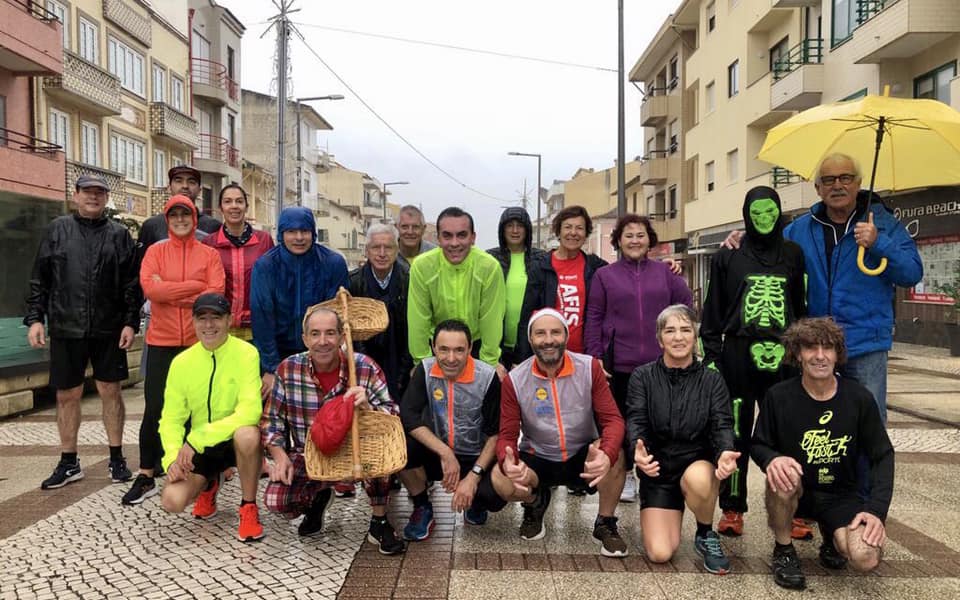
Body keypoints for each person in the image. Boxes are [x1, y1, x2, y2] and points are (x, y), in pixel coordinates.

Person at [723, 153, 922, 422]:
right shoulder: (801, 229)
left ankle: (867, 467)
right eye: (828, 179)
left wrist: (878, 243)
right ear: (817, 188)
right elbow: (768, 249)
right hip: (813, 346)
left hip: (864, 346)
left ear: (859, 183)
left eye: (845, 178)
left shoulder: (883, 224)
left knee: (868, 422)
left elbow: (912, 272)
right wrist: (744, 237)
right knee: (813, 424)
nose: (837, 185)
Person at [751, 317, 894, 590]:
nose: (819, 356)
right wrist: (773, 459)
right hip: (796, 489)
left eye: (827, 348)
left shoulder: (858, 398)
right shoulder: (779, 396)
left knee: (865, 557)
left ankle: (832, 539)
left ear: (837, 355)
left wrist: (876, 511)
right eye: (810, 348)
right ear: (797, 354)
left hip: (840, 495)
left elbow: (883, 454)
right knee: (784, 477)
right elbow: (758, 444)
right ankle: (783, 550)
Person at [700, 186, 807, 537]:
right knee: (734, 430)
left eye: (770, 213)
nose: (763, 219)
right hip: (738, 354)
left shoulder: (793, 254)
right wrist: (712, 355)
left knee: (789, 432)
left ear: (779, 213)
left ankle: (795, 509)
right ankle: (732, 509)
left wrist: (802, 351)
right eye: (756, 213)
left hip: (783, 354)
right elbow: (713, 308)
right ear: (746, 214)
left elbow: (800, 307)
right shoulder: (728, 254)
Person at [25, 174, 140, 489]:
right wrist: (35, 319)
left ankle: (116, 458)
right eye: (87, 192)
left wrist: (131, 321)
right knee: (66, 394)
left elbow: (132, 284)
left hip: (109, 328)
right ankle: (68, 460)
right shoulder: (57, 230)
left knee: (110, 391)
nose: (93, 197)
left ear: (105, 199)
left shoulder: (119, 236)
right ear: (75, 195)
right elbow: (40, 279)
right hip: (66, 326)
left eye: (99, 193)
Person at [260, 305, 406, 554]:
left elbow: (392, 415)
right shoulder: (288, 369)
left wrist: (368, 406)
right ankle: (317, 499)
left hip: (357, 453)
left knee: (379, 455)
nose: (323, 341)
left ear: (341, 337)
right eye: (315, 334)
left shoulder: (364, 367)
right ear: (304, 338)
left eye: (330, 333)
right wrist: (279, 454)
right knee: (277, 500)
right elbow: (271, 420)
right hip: (311, 455)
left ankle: (379, 520)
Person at [493, 309, 628, 557]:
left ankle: (605, 522)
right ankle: (534, 502)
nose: (548, 339)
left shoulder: (588, 368)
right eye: (540, 333)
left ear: (566, 335)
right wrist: (507, 460)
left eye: (555, 332)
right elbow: (506, 434)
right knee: (500, 477)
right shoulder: (515, 379)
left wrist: (606, 454)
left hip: (581, 454)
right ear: (531, 339)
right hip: (538, 455)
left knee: (616, 453)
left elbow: (613, 420)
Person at [123, 196, 225, 506]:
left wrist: (171, 291)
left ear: (195, 218)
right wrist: (193, 288)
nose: (181, 219)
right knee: (155, 408)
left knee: (200, 409)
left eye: (186, 214)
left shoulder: (208, 253)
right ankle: (145, 473)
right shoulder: (155, 251)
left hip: (198, 342)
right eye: (175, 215)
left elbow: (215, 293)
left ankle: (205, 473)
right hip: (162, 340)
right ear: (168, 220)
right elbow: (151, 290)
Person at [584, 213, 692, 503]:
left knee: (657, 421)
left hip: (660, 365)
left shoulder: (665, 273)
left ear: (649, 240)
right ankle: (627, 473)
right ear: (618, 240)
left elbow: (686, 306)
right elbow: (593, 317)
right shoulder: (604, 276)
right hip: (619, 365)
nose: (635, 240)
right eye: (628, 235)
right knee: (622, 422)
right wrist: (595, 357)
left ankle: (654, 473)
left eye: (640, 235)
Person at [625, 305, 739, 574]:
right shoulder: (642, 377)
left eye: (686, 330)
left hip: (696, 464)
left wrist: (725, 451)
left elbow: (722, 424)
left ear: (695, 336)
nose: (678, 337)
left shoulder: (712, 380)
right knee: (660, 553)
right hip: (658, 471)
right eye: (670, 331)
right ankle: (670, 508)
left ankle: (704, 533)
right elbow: (636, 420)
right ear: (659, 338)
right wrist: (637, 450)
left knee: (699, 478)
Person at [157, 293, 265, 542]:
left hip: (231, 441)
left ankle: (248, 507)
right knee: (172, 501)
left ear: (228, 320)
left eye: (215, 318)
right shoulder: (181, 363)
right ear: (193, 322)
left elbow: (250, 411)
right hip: (201, 449)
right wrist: (172, 459)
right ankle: (209, 485)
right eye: (202, 318)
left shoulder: (247, 353)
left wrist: (198, 438)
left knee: (248, 433)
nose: (209, 325)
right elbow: (171, 419)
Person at [398, 319, 505, 540]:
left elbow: (496, 432)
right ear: (433, 347)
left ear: (470, 349)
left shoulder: (487, 377)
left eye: (459, 350)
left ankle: (476, 501)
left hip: (475, 456)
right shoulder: (425, 370)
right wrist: (445, 452)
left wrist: (474, 477)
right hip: (438, 454)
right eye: (444, 349)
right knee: (400, 450)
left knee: (493, 495)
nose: (451, 358)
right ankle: (422, 507)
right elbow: (409, 417)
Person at [251, 206, 349, 399]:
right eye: (291, 232)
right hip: (279, 351)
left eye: (305, 231)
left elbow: (337, 315)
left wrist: (328, 358)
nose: (299, 237)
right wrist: (271, 369)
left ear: (313, 233)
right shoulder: (266, 266)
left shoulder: (332, 263)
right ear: (281, 234)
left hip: (321, 350)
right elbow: (262, 318)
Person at [407, 207, 506, 373]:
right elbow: (418, 319)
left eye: (462, 235)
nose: (454, 243)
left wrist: (489, 363)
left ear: (473, 237)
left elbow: (492, 319)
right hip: (437, 347)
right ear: (438, 238)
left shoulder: (489, 267)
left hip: (476, 345)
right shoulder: (422, 266)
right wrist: (421, 364)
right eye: (447, 236)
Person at [516, 205, 607, 362]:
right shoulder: (541, 267)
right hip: (547, 355)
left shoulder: (595, 267)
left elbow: (623, 275)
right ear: (558, 231)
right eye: (567, 227)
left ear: (586, 234)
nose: (573, 232)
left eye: (579, 228)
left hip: (583, 357)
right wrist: (522, 358)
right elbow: (527, 316)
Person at [348, 223, 412, 403]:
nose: (382, 253)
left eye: (388, 247)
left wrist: (405, 371)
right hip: (365, 362)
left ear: (397, 250)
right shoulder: (353, 283)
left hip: (401, 362)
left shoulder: (410, 281)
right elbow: (351, 333)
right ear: (367, 250)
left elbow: (413, 329)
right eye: (376, 247)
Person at [201, 184, 274, 337]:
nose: (234, 206)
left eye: (239, 201)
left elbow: (272, 283)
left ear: (246, 207)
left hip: (256, 327)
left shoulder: (264, 240)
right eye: (228, 201)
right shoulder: (209, 243)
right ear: (220, 208)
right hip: (220, 327)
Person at [486, 207, 546, 370]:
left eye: (519, 225)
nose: (514, 230)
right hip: (495, 343)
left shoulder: (541, 259)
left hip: (531, 343)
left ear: (527, 229)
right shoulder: (489, 259)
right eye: (509, 225)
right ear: (502, 229)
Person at [138, 165, 220, 251]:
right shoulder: (152, 225)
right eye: (178, 181)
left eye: (191, 182)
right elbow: (141, 262)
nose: (185, 186)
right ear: (169, 188)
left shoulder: (213, 226)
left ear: (199, 191)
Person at [395, 204, 437, 269]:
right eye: (405, 227)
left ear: (423, 229)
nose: (410, 232)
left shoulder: (435, 255)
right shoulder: (386, 253)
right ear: (396, 227)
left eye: (415, 227)